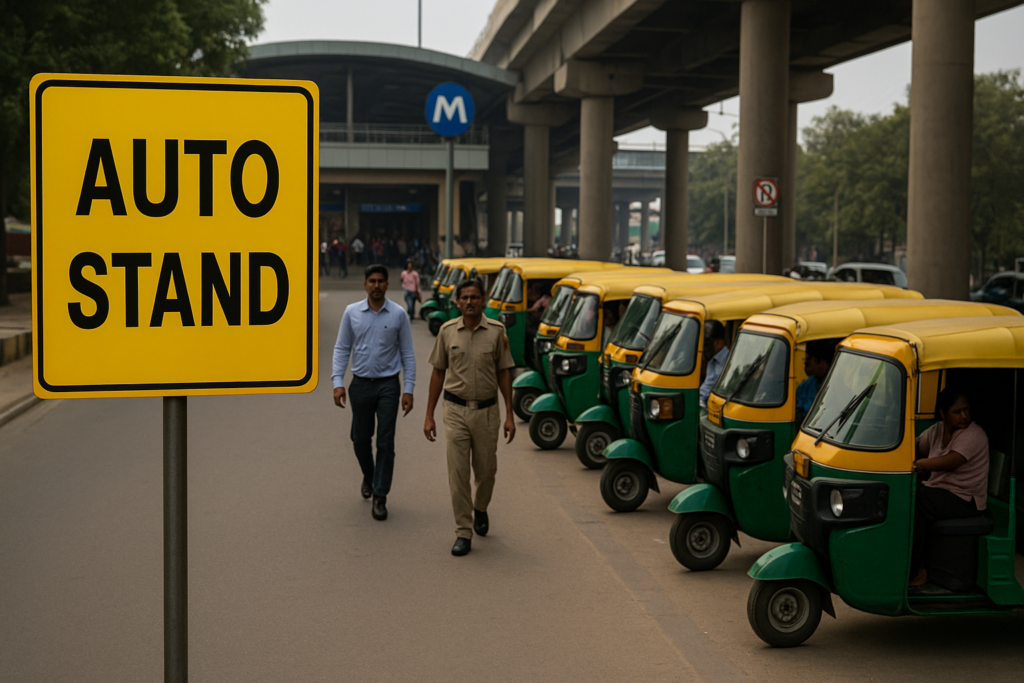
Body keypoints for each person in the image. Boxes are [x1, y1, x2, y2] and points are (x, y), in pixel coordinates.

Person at [424, 278, 516, 557]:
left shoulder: (497, 332)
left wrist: (510, 415)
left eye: (475, 297)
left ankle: (481, 507)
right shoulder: (447, 331)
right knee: (458, 473)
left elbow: (504, 372)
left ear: (483, 300)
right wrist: (428, 415)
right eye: (464, 298)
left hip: (488, 412)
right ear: (457, 302)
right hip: (455, 412)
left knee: (487, 471)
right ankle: (463, 531)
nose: (469, 302)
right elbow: (438, 372)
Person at [332, 265, 417, 522]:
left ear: (388, 284)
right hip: (360, 385)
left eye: (381, 281)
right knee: (360, 439)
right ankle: (369, 475)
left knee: (385, 441)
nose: (376, 285)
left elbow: (408, 355)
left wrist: (409, 388)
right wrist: (338, 382)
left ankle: (380, 495)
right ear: (365, 284)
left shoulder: (399, 315)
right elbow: (341, 348)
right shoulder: (351, 313)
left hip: (388, 386)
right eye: (372, 281)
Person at [909, 388, 989, 587]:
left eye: (966, 410)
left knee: (916, 499)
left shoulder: (974, 434)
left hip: (965, 499)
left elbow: (952, 461)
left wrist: (920, 464)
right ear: (943, 413)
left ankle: (917, 568)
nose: (964, 416)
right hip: (939, 492)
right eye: (957, 411)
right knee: (908, 494)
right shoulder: (937, 430)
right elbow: (917, 446)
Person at [795, 339, 836, 424]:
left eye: (808, 362)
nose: (805, 363)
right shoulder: (807, 385)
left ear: (822, 363)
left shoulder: (836, 388)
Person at [699, 320, 729, 409]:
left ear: (718, 343)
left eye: (706, 344)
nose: (703, 349)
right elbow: (707, 387)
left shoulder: (728, 362)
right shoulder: (712, 360)